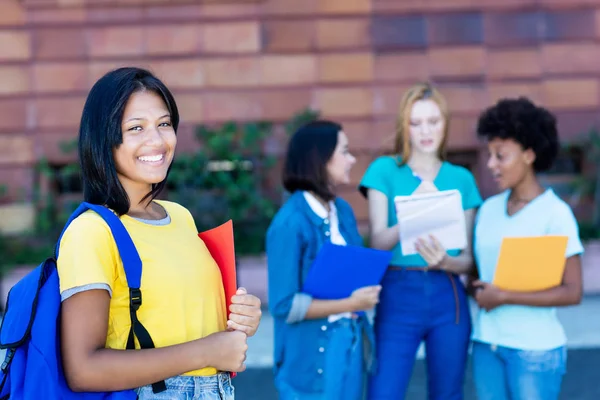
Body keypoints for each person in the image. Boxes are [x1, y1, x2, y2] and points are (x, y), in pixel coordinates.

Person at [57, 67, 262, 399]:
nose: (157, 140)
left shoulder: (180, 217)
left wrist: (239, 320)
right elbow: (83, 369)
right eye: (136, 128)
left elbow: (186, 321)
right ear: (104, 140)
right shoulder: (91, 232)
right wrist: (207, 352)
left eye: (164, 124)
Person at [359, 83, 482, 399]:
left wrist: (446, 262)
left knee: (448, 393)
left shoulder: (462, 179)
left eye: (433, 121)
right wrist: (414, 215)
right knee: (383, 392)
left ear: (445, 123)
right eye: (416, 123)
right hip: (399, 293)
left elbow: (468, 259)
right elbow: (376, 242)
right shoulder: (384, 170)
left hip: (448, 295)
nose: (425, 130)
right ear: (405, 126)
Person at [471, 97, 583, 400]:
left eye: (501, 156)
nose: (491, 164)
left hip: (534, 352)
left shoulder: (555, 214)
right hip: (486, 345)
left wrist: (504, 295)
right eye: (490, 155)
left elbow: (572, 292)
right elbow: (479, 275)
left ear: (529, 155)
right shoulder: (488, 210)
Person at [266, 120, 381, 399]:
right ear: (320, 158)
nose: (351, 159)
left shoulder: (342, 210)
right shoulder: (289, 223)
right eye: (344, 151)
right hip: (310, 356)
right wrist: (352, 303)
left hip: (349, 343)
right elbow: (284, 305)